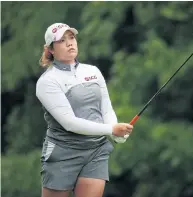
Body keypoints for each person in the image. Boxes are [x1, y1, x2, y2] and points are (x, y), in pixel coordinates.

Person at [36, 23, 133, 197]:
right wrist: (111, 129)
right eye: (61, 41)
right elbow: (70, 123)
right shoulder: (47, 82)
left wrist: (116, 133)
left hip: (96, 149)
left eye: (71, 38)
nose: (69, 43)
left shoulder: (93, 71)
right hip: (62, 152)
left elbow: (106, 108)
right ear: (50, 49)